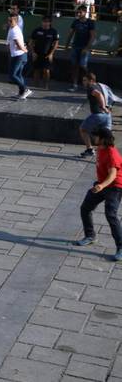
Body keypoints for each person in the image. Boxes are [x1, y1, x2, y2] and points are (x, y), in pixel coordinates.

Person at [75, 127, 122, 262]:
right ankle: (90, 236)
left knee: (111, 215)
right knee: (85, 208)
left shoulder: (111, 154)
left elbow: (113, 175)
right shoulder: (100, 149)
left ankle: (120, 247)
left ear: (102, 138)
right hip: (101, 184)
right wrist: (100, 185)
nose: (93, 138)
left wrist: (101, 185)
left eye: (95, 136)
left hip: (115, 187)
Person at [79, 72, 112, 158]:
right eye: (83, 80)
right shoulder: (99, 85)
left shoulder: (91, 87)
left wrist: (103, 106)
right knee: (105, 137)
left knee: (83, 129)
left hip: (98, 115)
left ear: (91, 80)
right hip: (107, 116)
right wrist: (106, 108)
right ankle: (109, 155)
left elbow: (99, 94)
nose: (83, 82)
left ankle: (89, 149)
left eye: (85, 80)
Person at [66, 8, 96, 91]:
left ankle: (91, 83)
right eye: (77, 12)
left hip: (85, 47)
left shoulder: (90, 22)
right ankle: (74, 85)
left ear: (85, 12)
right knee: (74, 66)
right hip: (75, 46)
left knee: (83, 65)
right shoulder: (75, 22)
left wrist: (86, 48)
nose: (78, 14)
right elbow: (71, 33)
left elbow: (92, 36)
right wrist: (66, 46)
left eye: (80, 12)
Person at [28, 15, 59, 89]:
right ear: (42, 22)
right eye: (44, 22)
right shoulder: (36, 30)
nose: (45, 23)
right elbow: (31, 42)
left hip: (47, 54)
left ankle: (46, 86)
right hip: (37, 53)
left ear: (50, 23)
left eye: (47, 22)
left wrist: (51, 54)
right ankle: (35, 86)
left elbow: (56, 43)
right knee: (36, 70)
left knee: (46, 70)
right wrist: (33, 52)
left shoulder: (53, 31)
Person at [6, 14, 32, 99]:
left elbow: (17, 44)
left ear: (16, 21)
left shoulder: (14, 31)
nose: (9, 22)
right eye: (8, 20)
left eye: (11, 21)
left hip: (19, 56)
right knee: (19, 74)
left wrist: (24, 50)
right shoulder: (13, 28)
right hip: (21, 55)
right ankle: (21, 93)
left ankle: (25, 89)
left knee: (12, 75)